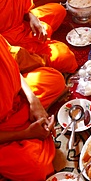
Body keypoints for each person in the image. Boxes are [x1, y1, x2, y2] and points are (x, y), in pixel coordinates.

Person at [0, 34, 66, 181]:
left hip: (16, 101)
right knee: (37, 168)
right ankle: (33, 138)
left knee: (55, 80)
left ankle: (35, 129)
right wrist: (26, 134)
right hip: (4, 129)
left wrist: (33, 102)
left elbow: (14, 69)